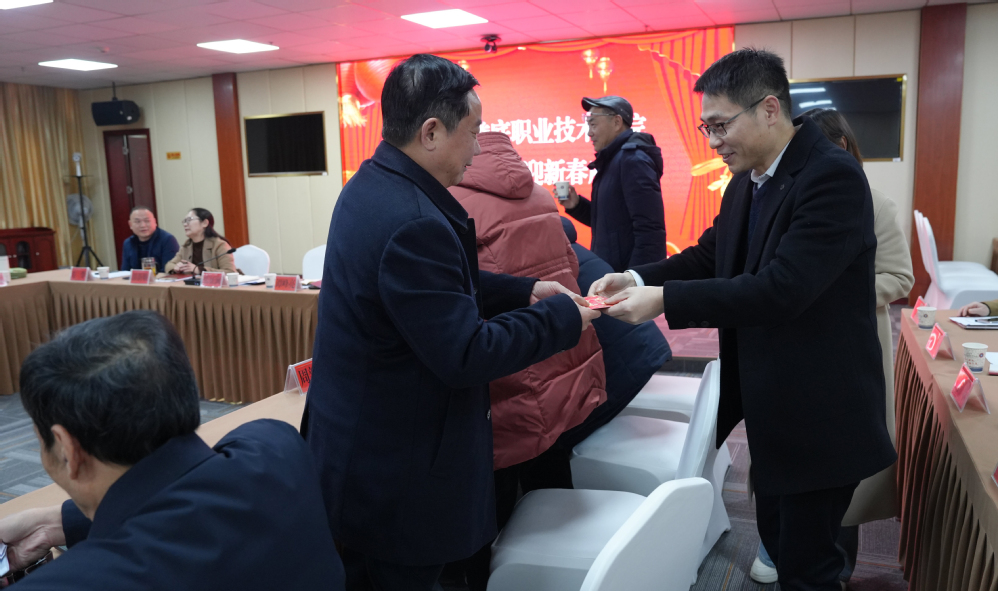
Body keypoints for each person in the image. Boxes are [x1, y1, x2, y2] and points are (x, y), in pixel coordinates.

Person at [590, 49, 897, 591]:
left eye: (721, 125)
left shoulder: (832, 177)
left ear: (770, 109)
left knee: (809, 568)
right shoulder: (746, 180)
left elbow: (782, 290)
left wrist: (664, 300)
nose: (713, 141)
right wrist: (636, 277)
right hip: (773, 405)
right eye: (706, 127)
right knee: (779, 542)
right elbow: (710, 256)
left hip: (820, 415)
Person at [302, 54, 599, 591]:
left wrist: (524, 290)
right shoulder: (411, 219)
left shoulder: (374, 184)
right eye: (474, 131)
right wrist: (559, 319)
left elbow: (432, 287)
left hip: (365, 442)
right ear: (432, 132)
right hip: (398, 465)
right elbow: (466, 352)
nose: (479, 147)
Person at [0, 310, 345, 590]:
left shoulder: (83, 579)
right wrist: (53, 524)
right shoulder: (277, 446)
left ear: (66, 448)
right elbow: (188, 490)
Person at [750, 107, 915, 585]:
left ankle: (836, 564)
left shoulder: (876, 203)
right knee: (789, 463)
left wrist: (834, 289)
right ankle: (781, 546)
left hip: (848, 340)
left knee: (841, 469)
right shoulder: (781, 197)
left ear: (840, 148)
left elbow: (900, 276)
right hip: (790, 344)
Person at [448, 131, 608, 590]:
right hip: (561, 350)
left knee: (492, 504)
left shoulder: (452, 203)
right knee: (549, 475)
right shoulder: (537, 192)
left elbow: (461, 298)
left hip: (512, 365)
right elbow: (569, 268)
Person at [555, 216, 673, 449]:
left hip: (618, 366)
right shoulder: (551, 233)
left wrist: (648, 288)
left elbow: (650, 229)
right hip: (633, 349)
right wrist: (634, 278)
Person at [559, 95, 667, 272]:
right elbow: (610, 223)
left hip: (625, 278)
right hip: (612, 274)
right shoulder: (612, 161)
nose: (589, 133)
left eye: (593, 124)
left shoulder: (633, 160)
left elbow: (650, 230)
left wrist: (636, 279)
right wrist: (576, 205)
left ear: (617, 122)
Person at [164, 208, 236, 275]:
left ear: (204, 223)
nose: (185, 224)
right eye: (184, 221)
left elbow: (230, 272)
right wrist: (176, 267)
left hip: (213, 284)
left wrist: (199, 270)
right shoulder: (187, 246)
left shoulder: (219, 245)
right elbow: (169, 265)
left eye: (189, 220)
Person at [119, 206, 179, 273]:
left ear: (155, 222)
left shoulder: (168, 240)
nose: (143, 225)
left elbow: (169, 271)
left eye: (147, 221)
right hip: (136, 279)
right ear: (130, 224)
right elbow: (125, 272)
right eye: (137, 221)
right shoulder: (128, 243)